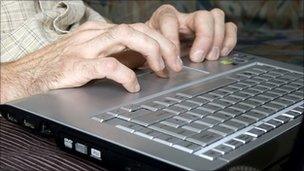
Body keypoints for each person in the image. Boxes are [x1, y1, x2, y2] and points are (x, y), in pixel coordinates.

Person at [0, 1, 237, 104]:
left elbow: (80, 42)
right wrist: (24, 76)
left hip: (87, 95)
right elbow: (52, 58)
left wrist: (149, 40)